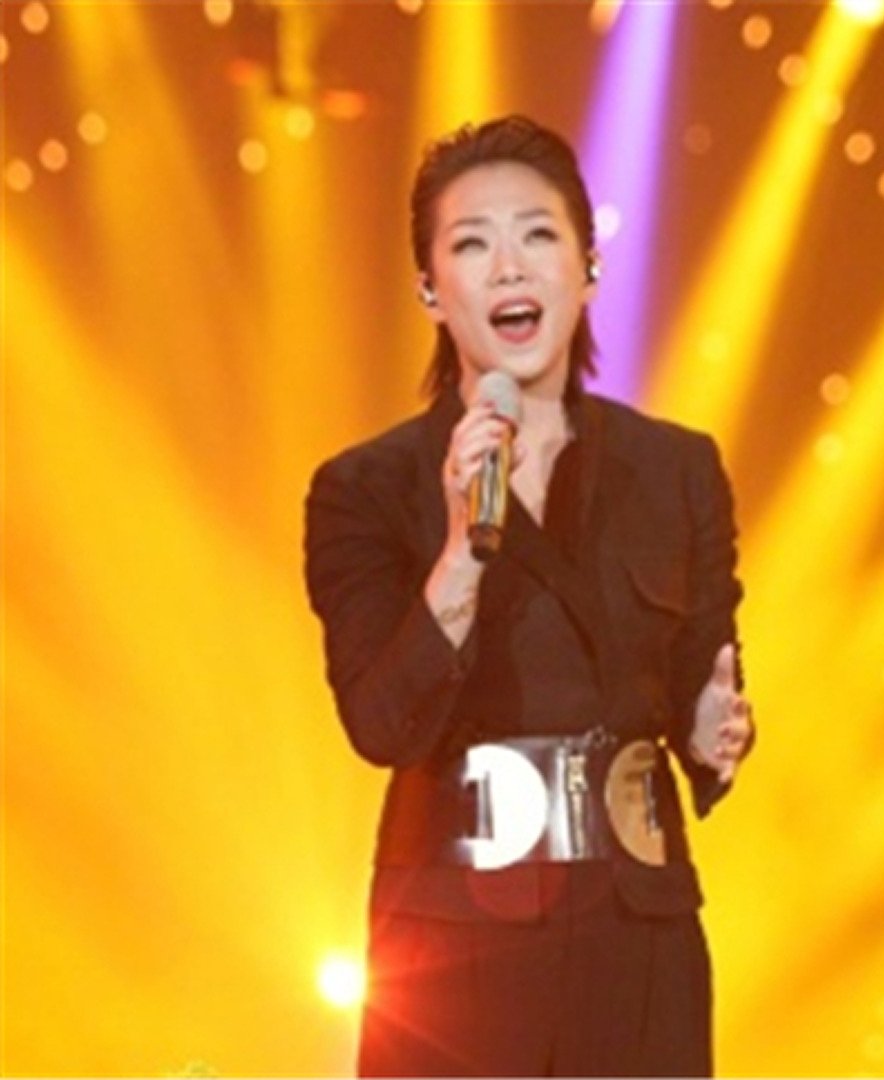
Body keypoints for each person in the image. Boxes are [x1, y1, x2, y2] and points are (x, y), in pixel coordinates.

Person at [303, 114, 753, 1077]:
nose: (509, 266)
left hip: (638, 938)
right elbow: (380, 723)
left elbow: (704, 678)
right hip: (452, 948)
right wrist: (462, 547)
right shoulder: (365, 489)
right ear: (431, 289)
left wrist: (713, 728)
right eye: (472, 244)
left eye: (538, 235)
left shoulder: (675, 469)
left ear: (586, 266)